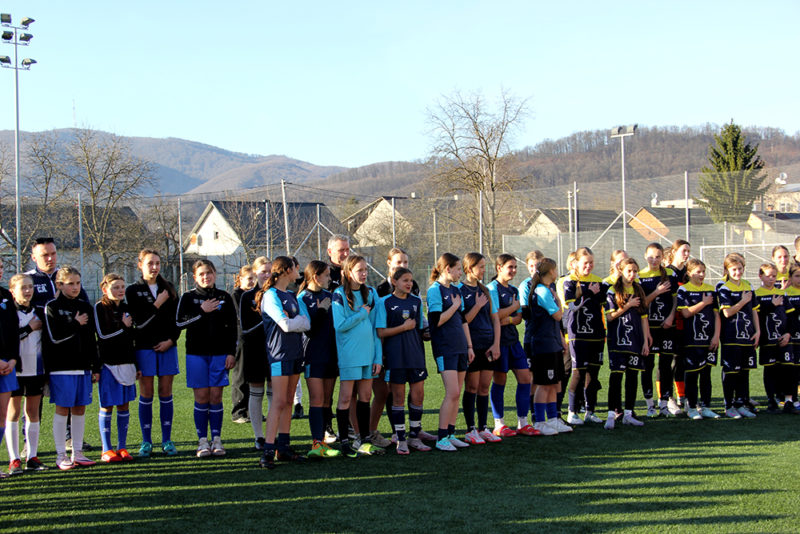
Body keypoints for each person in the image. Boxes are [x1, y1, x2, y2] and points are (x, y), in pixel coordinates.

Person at [176, 260, 237, 457]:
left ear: (214, 274)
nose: (205, 277)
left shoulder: (224, 297)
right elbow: (179, 323)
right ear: (195, 277)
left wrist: (231, 352)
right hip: (196, 354)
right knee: (202, 397)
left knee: (216, 397)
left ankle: (217, 439)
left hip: (220, 355)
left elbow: (232, 328)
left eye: (209, 273)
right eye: (201, 274)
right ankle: (202, 440)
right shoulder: (188, 297)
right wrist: (202, 310)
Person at [257, 257, 311, 468]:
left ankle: (284, 447)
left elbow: (306, 323)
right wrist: (295, 322)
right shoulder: (271, 296)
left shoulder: (291, 295)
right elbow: (285, 325)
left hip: (296, 353)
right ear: (288, 270)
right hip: (279, 355)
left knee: (289, 400)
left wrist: (294, 321)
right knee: (279, 401)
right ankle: (268, 451)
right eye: (296, 268)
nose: (299, 271)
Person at [125, 249, 180, 458]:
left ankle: (167, 440)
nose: (155, 267)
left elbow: (177, 320)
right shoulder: (133, 290)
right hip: (144, 348)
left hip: (167, 347)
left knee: (165, 392)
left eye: (157, 263)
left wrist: (171, 340)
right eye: (150, 263)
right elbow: (139, 323)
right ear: (140, 265)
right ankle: (146, 441)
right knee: (146, 393)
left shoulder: (169, 288)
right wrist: (157, 303)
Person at [44, 266, 99, 470]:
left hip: (82, 367)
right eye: (70, 284)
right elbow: (54, 337)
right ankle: (61, 455)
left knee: (80, 408)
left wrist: (95, 366)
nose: (75, 287)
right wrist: (75, 323)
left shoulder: (85, 306)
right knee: (62, 409)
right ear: (59, 285)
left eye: (78, 283)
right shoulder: (52, 306)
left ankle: (78, 452)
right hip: (61, 368)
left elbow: (91, 339)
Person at [332, 254, 384, 457]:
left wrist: (377, 357)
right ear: (348, 273)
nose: (364, 274)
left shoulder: (371, 293)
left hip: (368, 354)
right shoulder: (339, 294)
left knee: (365, 397)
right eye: (359, 270)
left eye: (366, 269)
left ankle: (364, 441)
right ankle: (345, 442)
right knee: (346, 397)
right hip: (349, 355)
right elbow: (340, 325)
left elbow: (375, 328)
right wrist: (361, 313)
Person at [376, 267, 430, 454]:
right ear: (394, 281)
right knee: (398, 397)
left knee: (418, 395)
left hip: (416, 355)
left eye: (411, 280)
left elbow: (420, 328)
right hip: (395, 356)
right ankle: (401, 439)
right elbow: (380, 332)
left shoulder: (416, 301)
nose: (409, 284)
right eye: (405, 280)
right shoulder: (384, 302)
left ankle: (414, 437)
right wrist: (403, 327)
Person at [487, 254, 539, 436]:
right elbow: (495, 315)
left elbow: (518, 318)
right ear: (499, 268)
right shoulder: (491, 288)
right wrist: (511, 309)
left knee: (525, 378)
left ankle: (523, 423)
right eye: (510, 267)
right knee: (500, 381)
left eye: (515, 267)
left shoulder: (514, 289)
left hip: (513, 342)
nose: (514, 270)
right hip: (498, 342)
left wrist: (508, 318)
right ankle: (499, 424)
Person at [427, 253, 474, 452]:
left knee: (457, 393)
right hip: (445, 348)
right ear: (447, 269)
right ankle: (441, 437)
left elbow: (463, 321)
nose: (460, 273)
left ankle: (451, 434)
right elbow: (436, 321)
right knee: (452, 392)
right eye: (457, 269)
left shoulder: (456, 290)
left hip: (460, 347)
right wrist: (454, 306)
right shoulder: (434, 290)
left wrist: (469, 346)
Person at [297, 260, 340, 458]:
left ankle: (323, 440)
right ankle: (317, 443)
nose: (330, 279)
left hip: (331, 355)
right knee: (317, 398)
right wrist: (321, 310)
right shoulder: (302, 298)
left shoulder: (330, 296)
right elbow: (309, 330)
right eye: (327, 275)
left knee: (327, 400)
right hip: (313, 355)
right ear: (316, 277)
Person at [6, 274, 47, 473]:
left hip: (36, 370)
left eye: (30, 287)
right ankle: (14, 459)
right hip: (14, 369)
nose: (28, 291)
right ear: (12, 291)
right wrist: (29, 328)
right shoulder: (8, 312)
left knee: (32, 411)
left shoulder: (39, 311)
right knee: (12, 413)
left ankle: (32, 457)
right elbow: (9, 338)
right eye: (23, 287)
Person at [603, 258, 651, 430]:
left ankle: (629, 414)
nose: (632, 274)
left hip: (636, 342)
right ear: (621, 271)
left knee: (632, 377)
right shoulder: (612, 291)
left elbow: (644, 318)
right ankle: (611, 414)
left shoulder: (639, 290)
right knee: (616, 377)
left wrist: (645, 342)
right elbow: (610, 317)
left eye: (635, 271)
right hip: (618, 341)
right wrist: (628, 305)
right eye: (629, 271)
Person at [94, 274, 138, 463]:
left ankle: (122, 447)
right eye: (115, 287)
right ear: (105, 289)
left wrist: (137, 364)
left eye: (122, 287)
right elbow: (103, 335)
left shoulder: (127, 308)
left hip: (127, 362)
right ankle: (106, 449)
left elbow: (132, 337)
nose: (120, 290)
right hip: (108, 364)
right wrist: (122, 326)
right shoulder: (99, 307)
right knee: (107, 404)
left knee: (124, 404)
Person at [459, 252, 501, 444]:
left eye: (485, 266)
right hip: (472, 346)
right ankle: (471, 429)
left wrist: (496, 343)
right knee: (472, 386)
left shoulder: (486, 290)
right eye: (481, 267)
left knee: (484, 387)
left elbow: (495, 319)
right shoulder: (460, 290)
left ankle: (483, 428)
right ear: (469, 268)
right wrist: (476, 306)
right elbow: (463, 321)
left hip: (488, 345)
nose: (484, 270)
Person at [563, 247, 606, 425]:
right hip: (578, 334)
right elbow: (572, 304)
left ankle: (590, 411)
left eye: (591, 263)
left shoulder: (598, 281)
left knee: (593, 374)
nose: (589, 266)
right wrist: (589, 293)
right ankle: (572, 411)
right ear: (576, 263)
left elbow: (603, 301)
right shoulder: (570, 281)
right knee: (578, 372)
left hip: (596, 334)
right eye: (585, 263)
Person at [528, 258, 569, 435]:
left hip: (552, 344)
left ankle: (553, 419)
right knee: (543, 384)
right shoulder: (542, 291)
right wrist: (558, 302)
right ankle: (539, 421)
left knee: (553, 384)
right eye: (555, 269)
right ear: (551, 271)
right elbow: (558, 315)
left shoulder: (547, 289)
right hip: (543, 345)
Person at [676, 259, 720, 419]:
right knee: (692, 374)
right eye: (697, 272)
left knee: (706, 374)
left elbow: (716, 315)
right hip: (691, 340)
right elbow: (685, 313)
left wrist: (716, 336)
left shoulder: (711, 289)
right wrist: (703, 302)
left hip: (709, 340)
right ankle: (692, 407)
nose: (701, 275)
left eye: (703, 271)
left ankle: (706, 407)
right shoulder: (684, 290)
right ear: (689, 273)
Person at [638, 243, 678, 417]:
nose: (654, 260)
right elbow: (642, 303)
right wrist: (657, 292)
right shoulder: (640, 276)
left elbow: (676, 299)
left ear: (663, 257)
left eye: (658, 257)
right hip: (648, 328)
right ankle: (649, 405)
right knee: (647, 366)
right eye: (651, 257)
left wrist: (671, 317)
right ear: (645, 256)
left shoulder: (670, 274)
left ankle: (664, 403)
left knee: (666, 366)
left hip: (667, 327)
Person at [717, 253, 759, 419]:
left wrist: (758, 331)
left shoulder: (748, 286)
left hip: (747, 336)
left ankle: (741, 404)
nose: (737, 272)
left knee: (744, 371)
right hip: (731, 337)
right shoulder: (724, 288)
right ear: (727, 270)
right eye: (734, 269)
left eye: (740, 268)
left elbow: (754, 311)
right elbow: (727, 313)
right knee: (731, 372)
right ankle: (729, 406)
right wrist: (742, 301)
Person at [237, 259, 271, 451]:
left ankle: (273, 435)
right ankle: (259, 436)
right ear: (256, 272)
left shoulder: (276, 293)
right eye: (263, 271)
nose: (267, 275)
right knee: (256, 393)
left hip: (275, 351)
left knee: (275, 395)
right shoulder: (247, 296)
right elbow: (246, 328)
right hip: (254, 351)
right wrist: (269, 317)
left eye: (269, 271)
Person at [754, 262, 796, 414]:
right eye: (768, 276)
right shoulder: (756, 294)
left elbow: (792, 317)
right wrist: (771, 305)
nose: (771, 279)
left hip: (784, 339)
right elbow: (756, 316)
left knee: (788, 369)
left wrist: (788, 333)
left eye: (774, 276)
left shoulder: (782, 293)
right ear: (760, 276)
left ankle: (789, 401)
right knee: (770, 370)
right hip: (767, 340)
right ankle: (771, 401)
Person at [665, 239, 691, 411]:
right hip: (670, 324)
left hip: (686, 324)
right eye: (684, 251)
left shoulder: (688, 273)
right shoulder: (667, 272)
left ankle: (683, 396)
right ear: (674, 252)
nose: (687, 254)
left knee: (682, 361)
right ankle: (667, 398)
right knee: (668, 362)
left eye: (688, 251)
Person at [231, 265, 259, 424]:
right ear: (240, 279)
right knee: (241, 374)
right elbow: (240, 317)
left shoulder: (256, 294)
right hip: (241, 338)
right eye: (249, 278)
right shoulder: (236, 295)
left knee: (253, 376)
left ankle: (252, 411)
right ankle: (239, 411)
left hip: (255, 338)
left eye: (254, 278)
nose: (252, 281)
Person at [0, 261, 20, 477]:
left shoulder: (5, 295)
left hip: (8, 364)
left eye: (0, 267)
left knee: (2, 414)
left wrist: (13, 359)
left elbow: (14, 329)